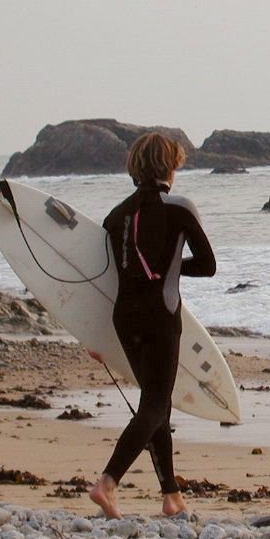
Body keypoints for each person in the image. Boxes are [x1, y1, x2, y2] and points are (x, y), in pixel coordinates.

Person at [88, 133, 216, 519]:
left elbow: (112, 273)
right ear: (171, 166)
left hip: (125, 317)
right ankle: (107, 483)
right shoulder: (180, 208)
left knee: (154, 403)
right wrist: (172, 270)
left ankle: (171, 496)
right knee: (157, 404)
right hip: (161, 315)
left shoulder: (115, 215)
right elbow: (208, 266)